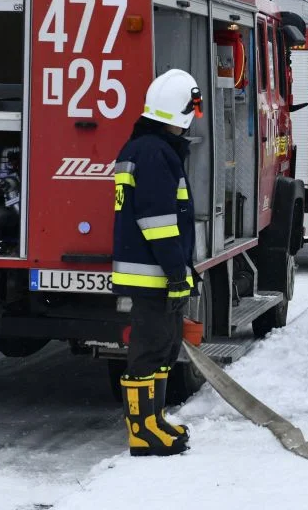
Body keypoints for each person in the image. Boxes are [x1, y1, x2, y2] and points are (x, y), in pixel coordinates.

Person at [111, 68, 202, 457]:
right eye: (192, 108)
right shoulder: (153, 153)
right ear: (178, 112)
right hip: (152, 273)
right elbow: (158, 222)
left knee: (164, 346)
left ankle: (154, 420)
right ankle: (141, 432)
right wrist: (175, 271)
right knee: (148, 349)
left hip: (154, 271)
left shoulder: (147, 148)